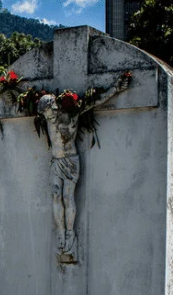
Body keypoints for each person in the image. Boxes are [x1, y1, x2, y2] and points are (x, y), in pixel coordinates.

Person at [37, 73, 131, 260]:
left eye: (47, 112)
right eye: (44, 114)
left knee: (67, 196)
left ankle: (70, 232)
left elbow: (94, 102)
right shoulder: (48, 119)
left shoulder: (71, 116)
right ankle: (60, 233)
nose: (47, 117)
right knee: (55, 196)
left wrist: (115, 88)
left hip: (71, 161)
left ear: (54, 107)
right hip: (56, 162)